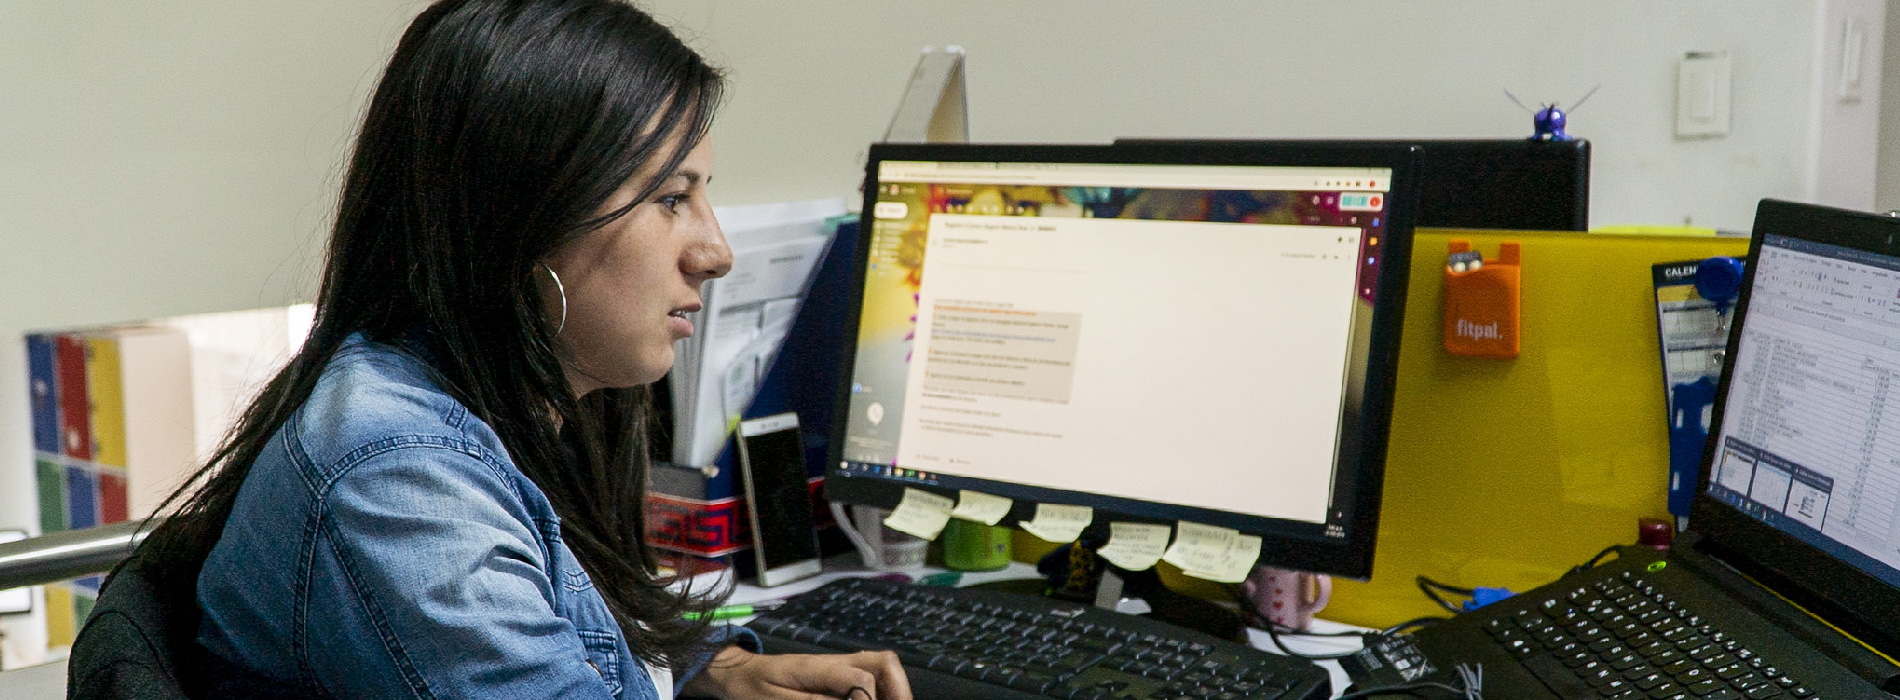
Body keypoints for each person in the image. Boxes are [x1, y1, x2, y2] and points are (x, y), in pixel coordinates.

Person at [79, 0, 912, 698]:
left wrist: (714, 670)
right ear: (523, 219)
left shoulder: (499, 397)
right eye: (670, 198)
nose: (714, 251)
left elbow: (559, 626)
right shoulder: (399, 483)